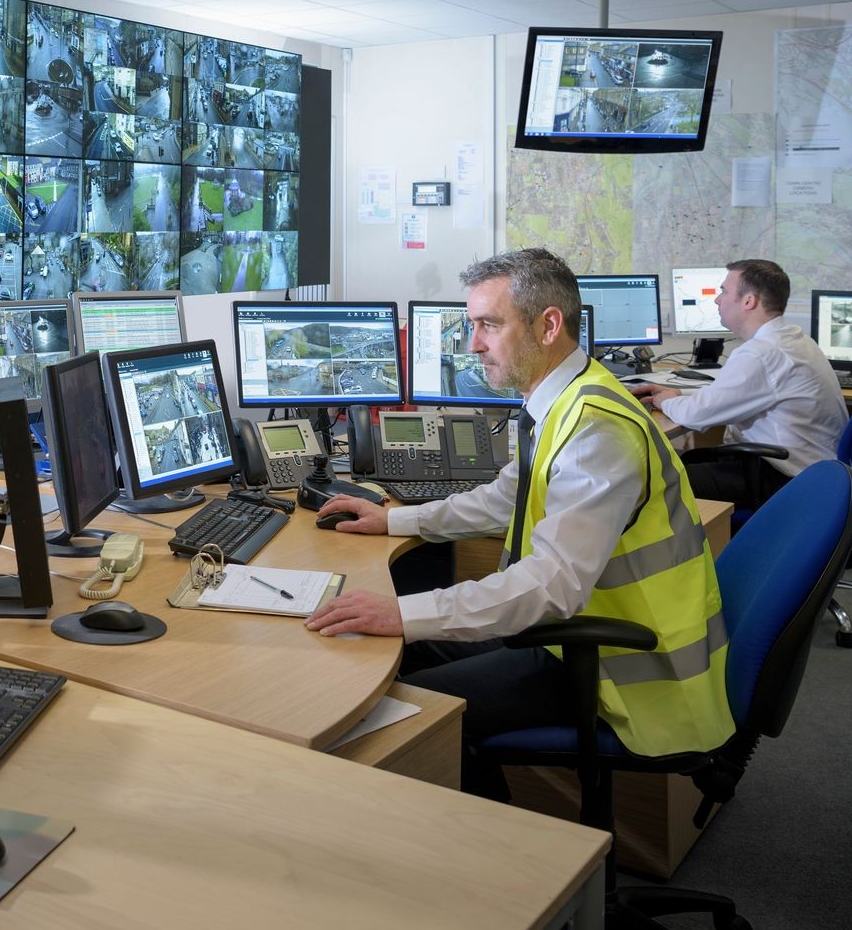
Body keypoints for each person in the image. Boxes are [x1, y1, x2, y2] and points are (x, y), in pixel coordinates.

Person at [307, 248, 735, 798]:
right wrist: (394, 519)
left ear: (549, 324)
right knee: (396, 652)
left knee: (415, 712)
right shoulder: (563, 399)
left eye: (488, 325)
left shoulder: (596, 432)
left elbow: (551, 587)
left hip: (625, 671)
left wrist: (401, 610)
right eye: (471, 325)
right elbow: (503, 499)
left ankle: (509, 870)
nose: (472, 344)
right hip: (571, 636)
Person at [632, 259, 846, 511]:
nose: (717, 300)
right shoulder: (791, 338)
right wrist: (679, 393)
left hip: (783, 477)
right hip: (813, 472)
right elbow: (726, 395)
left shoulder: (760, 354)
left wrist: (664, 400)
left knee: (653, 480)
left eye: (724, 291)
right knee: (683, 460)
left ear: (748, 301)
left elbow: (696, 415)